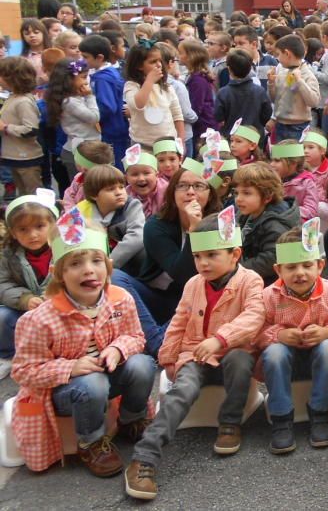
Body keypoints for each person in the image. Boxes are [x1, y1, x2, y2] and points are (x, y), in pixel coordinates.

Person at [124, 212, 265, 500]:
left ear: (235, 254)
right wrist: (168, 358)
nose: (203, 263)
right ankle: (145, 457)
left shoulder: (251, 281)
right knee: (181, 391)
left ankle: (230, 422)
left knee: (240, 361)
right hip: (194, 353)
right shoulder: (193, 284)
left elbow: (255, 316)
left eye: (212, 255)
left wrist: (220, 339)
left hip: (230, 349)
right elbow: (178, 321)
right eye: (198, 256)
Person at [12, 216, 156, 475]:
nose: (88, 270)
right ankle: (90, 441)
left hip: (110, 377)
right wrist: (71, 367)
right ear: (59, 273)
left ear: (109, 266)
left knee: (143, 364)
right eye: (75, 263)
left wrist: (117, 349)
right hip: (67, 392)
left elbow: (136, 337)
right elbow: (23, 371)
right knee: (92, 382)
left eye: (96, 261)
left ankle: (131, 418)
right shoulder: (39, 319)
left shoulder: (120, 299)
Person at [258, 225, 328, 453]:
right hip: (286, 364)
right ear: (278, 270)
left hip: (325, 362)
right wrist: (278, 335)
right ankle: (281, 417)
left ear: (320, 266)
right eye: (291, 267)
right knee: (274, 352)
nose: (299, 273)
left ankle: (320, 412)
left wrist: (327, 332)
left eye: (307, 265)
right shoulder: (268, 297)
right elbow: (256, 332)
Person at [111, 161, 223, 356]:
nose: (190, 192)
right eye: (182, 186)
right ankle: (158, 341)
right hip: (157, 298)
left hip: (201, 300)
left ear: (210, 193)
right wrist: (193, 231)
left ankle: (161, 342)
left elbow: (196, 279)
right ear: (172, 192)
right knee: (114, 276)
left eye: (198, 186)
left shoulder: (222, 223)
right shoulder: (156, 225)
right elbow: (181, 273)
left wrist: (197, 229)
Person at [0, 194, 58, 378]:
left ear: (52, 224)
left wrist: (52, 295)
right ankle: (9, 356)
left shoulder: (64, 248)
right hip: (25, 309)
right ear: (13, 233)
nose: (32, 235)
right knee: (2, 317)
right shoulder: (8, 255)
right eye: (23, 229)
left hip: (59, 307)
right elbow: (2, 283)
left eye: (39, 227)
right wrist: (24, 299)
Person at [76, 165, 146, 275]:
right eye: (111, 189)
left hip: (133, 266)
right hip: (97, 267)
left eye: (121, 187)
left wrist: (107, 265)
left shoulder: (131, 206)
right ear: (94, 195)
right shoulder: (82, 211)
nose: (119, 192)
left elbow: (137, 236)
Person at [43, 58, 99, 182]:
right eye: (84, 77)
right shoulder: (70, 102)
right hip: (79, 152)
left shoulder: (76, 97)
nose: (87, 80)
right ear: (69, 80)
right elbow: (93, 117)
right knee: (83, 188)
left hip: (87, 148)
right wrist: (90, 96)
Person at [79, 34, 130, 166]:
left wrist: (92, 114)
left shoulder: (103, 79)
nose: (82, 60)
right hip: (116, 128)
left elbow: (108, 107)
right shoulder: (107, 73)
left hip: (113, 129)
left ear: (100, 57)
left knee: (116, 163)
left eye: (85, 57)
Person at [123, 44, 185, 148]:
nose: (159, 65)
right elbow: (138, 104)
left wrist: (181, 141)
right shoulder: (132, 86)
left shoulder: (166, 87)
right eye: (153, 62)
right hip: (143, 146)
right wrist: (149, 81)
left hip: (168, 145)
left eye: (160, 61)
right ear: (139, 66)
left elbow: (177, 115)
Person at [0, 56, 43, 195]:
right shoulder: (13, 97)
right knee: (23, 193)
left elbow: (31, 129)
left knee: (33, 193)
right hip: (15, 155)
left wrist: (6, 128)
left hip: (27, 157)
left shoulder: (23, 101)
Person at [267, 35, 321, 142]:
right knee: (281, 158)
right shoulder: (282, 72)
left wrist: (300, 82)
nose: (277, 58)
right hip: (280, 125)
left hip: (298, 127)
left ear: (287, 54)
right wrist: (271, 83)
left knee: (295, 158)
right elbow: (274, 99)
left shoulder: (307, 75)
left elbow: (314, 102)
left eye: (278, 54)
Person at [268, 140, 322, 223]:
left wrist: (284, 209)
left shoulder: (307, 183)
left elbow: (310, 212)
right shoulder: (271, 180)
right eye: (271, 160)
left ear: (293, 163)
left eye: (277, 161)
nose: (271, 164)